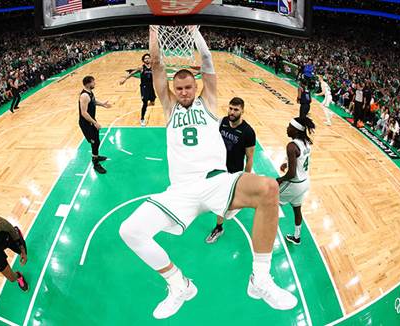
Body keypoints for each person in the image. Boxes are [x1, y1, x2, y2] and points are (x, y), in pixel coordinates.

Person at [119, 26, 297, 320]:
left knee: (269, 189)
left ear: (195, 86)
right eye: (179, 89)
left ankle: (260, 280)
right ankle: (179, 285)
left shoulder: (208, 102)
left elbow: (209, 64)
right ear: (173, 91)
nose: (184, 92)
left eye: (188, 87)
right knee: (130, 231)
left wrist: (195, 34)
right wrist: (153, 32)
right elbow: (158, 65)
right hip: (180, 190)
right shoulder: (169, 106)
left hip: (216, 181)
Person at [205, 96, 255, 243]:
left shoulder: (248, 132)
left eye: (236, 110)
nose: (232, 112)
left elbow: (250, 157)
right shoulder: (222, 122)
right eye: (230, 108)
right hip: (217, 168)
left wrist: (246, 179)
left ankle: (219, 228)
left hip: (233, 172)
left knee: (222, 202)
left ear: (242, 111)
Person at [277, 117, 315, 245]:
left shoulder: (291, 146)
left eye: (290, 127)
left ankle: (266, 234)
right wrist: (286, 162)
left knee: (270, 203)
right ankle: (297, 237)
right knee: (297, 209)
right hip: (305, 182)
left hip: (295, 183)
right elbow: (300, 158)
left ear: (296, 130)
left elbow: (292, 173)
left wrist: (280, 179)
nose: (287, 128)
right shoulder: (306, 142)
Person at [79, 76, 112, 174]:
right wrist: (95, 123)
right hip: (86, 123)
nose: (95, 83)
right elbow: (84, 113)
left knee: (97, 141)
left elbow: (93, 101)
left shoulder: (89, 93)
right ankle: (95, 164)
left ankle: (96, 156)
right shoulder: (84, 96)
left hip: (91, 121)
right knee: (94, 142)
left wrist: (102, 104)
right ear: (88, 83)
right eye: (93, 82)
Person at [119, 53, 156, 126]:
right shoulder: (141, 68)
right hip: (144, 87)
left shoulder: (153, 67)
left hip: (151, 87)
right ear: (143, 60)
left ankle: (145, 105)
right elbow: (132, 73)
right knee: (145, 102)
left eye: (148, 58)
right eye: (145, 58)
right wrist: (125, 79)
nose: (147, 59)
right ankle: (142, 119)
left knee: (153, 103)